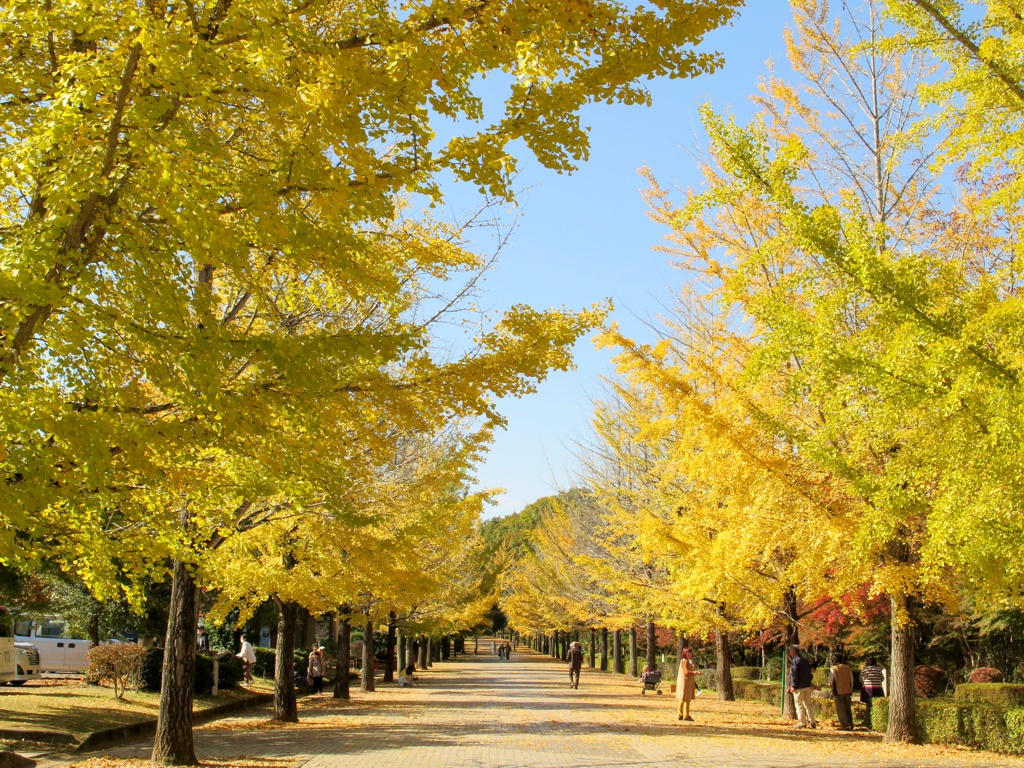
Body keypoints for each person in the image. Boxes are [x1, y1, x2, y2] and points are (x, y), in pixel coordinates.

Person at [788, 645, 817, 729]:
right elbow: (809, 674)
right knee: (808, 704)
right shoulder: (805, 660)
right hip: (807, 686)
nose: (790, 653)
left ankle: (802, 722)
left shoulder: (795, 661)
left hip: (799, 687)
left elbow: (794, 674)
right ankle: (812, 721)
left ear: (793, 651)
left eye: (790, 651)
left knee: (799, 705)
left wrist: (793, 685)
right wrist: (809, 683)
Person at [828, 653, 855, 731]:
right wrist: (851, 688)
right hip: (847, 690)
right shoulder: (847, 668)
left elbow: (830, 679)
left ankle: (845, 725)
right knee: (847, 708)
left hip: (838, 691)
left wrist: (829, 684)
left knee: (840, 709)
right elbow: (851, 679)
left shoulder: (834, 668)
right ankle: (850, 723)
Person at [860, 656, 886, 725]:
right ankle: (877, 723)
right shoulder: (878, 669)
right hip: (878, 689)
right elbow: (882, 678)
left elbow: (861, 679)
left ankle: (869, 723)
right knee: (877, 706)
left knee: (868, 706)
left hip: (868, 689)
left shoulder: (864, 670)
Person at [675, 647, 697, 721]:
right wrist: (695, 673)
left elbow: (691, 668)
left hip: (685, 681)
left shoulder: (687, 661)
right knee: (686, 699)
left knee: (682, 698)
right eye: (688, 653)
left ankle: (680, 714)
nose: (690, 654)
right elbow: (686, 672)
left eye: (690, 653)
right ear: (685, 653)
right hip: (685, 682)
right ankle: (686, 715)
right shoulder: (685, 661)